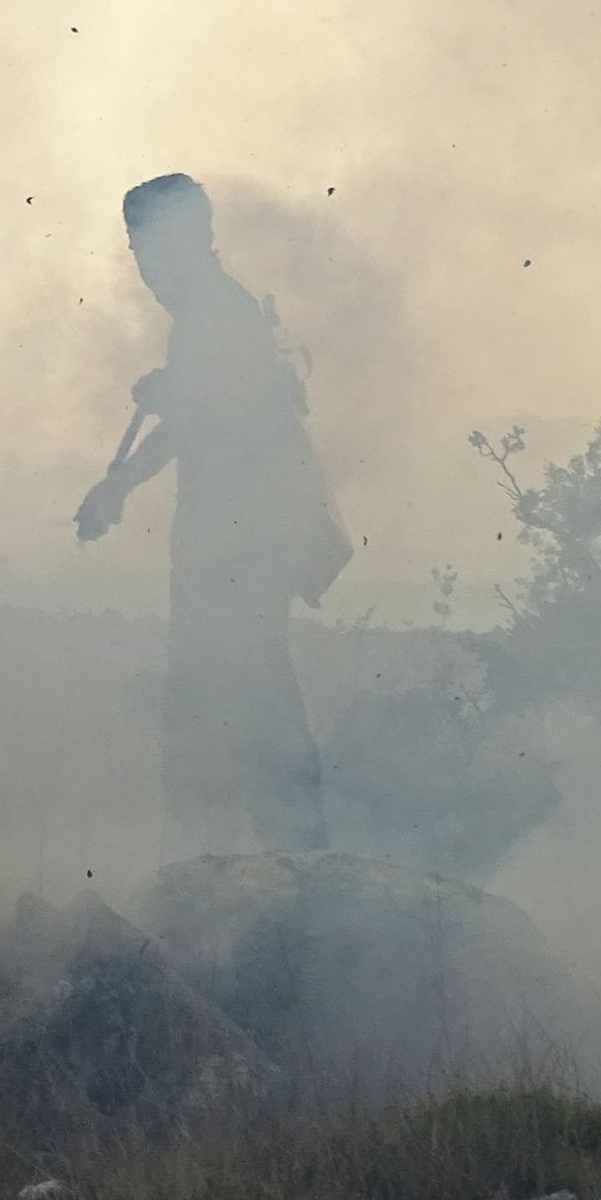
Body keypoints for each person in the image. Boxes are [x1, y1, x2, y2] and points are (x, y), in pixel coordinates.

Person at [75, 173, 349, 856]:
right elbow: (197, 415)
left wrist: (162, 417)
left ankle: (255, 865)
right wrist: (124, 481)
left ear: (197, 240)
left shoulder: (218, 316)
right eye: (140, 252)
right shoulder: (211, 315)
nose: (148, 268)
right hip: (230, 547)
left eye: (158, 248)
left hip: (238, 550)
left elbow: (217, 416)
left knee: (232, 705)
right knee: (237, 701)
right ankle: (267, 860)